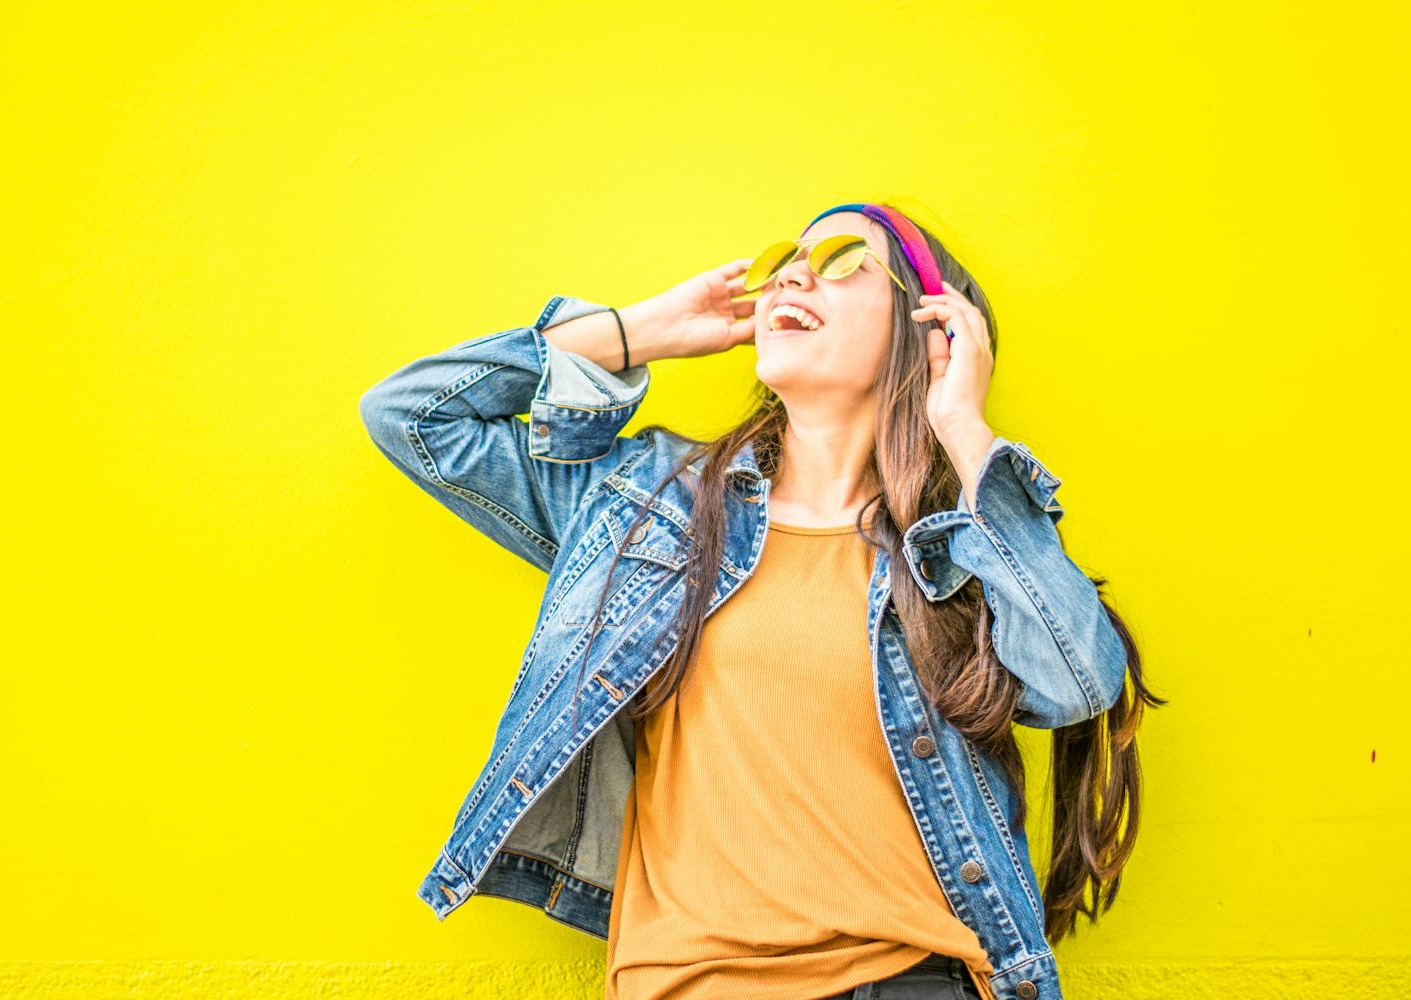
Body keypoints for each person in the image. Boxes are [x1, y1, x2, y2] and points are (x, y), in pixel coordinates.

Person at [360, 202, 1163, 1000]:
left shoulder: (956, 548)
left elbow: (1077, 682)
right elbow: (412, 416)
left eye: (842, 259)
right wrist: (640, 332)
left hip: (918, 980)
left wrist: (964, 428)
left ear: (931, 330)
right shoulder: (650, 503)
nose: (791, 276)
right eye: (783, 261)